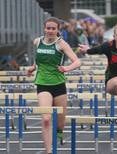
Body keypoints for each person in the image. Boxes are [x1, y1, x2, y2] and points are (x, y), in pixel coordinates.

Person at [27, 17, 81, 154]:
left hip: (58, 85)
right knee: (46, 118)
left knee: (60, 124)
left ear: (58, 30)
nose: (50, 31)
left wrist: (66, 68)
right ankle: (49, 151)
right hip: (42, 84)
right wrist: (33, 67)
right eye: (48, 28)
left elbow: (77, 62)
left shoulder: (61, 44)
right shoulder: (37, 42)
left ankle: (59, 133)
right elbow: (38, 59)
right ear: (44, 28)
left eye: (53, 28)